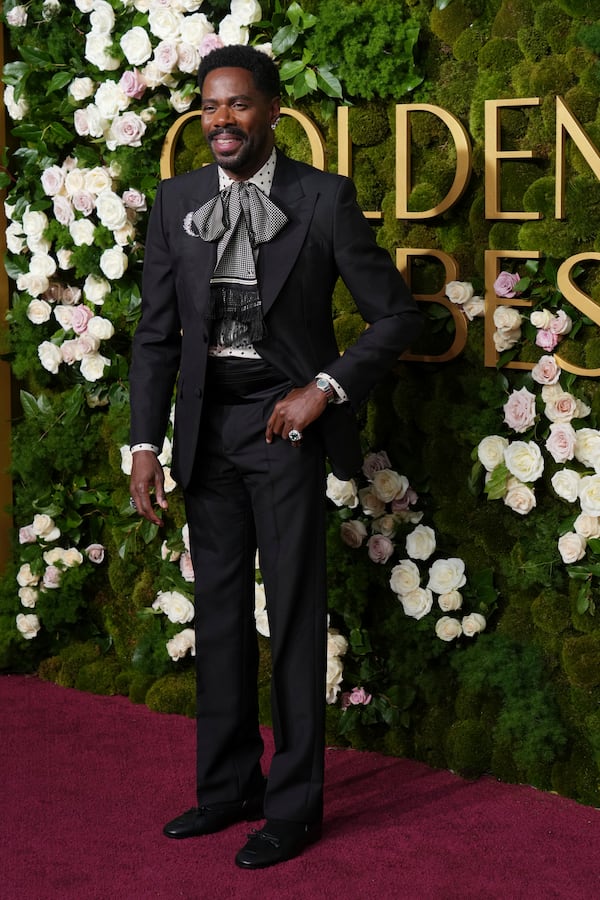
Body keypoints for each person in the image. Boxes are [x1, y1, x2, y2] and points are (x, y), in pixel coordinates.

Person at [128, 44, 422, 869]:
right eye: (210, 107)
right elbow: (155, 336)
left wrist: (322, 388)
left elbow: (398, 318)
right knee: (220, 617)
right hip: (205, 433)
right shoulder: (175, 200)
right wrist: (145, 442)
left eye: (238, 106)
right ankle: (227, 791)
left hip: (285, 429)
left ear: (274, 113)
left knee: (292, 618)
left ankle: (293, 807)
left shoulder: (322, 199)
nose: (220, 120)